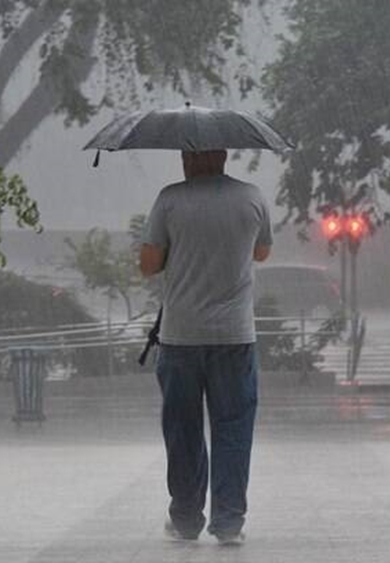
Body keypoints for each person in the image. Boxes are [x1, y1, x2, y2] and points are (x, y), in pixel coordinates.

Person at [139, 149, 272, 545]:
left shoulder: (170, 199)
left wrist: (180, 249)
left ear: (188, 158)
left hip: (181, 337)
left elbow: (148, 264)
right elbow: (261, 252)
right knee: (233, 428)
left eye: (185, 154)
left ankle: (185, 518)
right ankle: (229, 522)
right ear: (224, 154)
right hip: (234, 336)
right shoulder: (251, 197)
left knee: (183, 428)